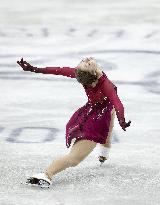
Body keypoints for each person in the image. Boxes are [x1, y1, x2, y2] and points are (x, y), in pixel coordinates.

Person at [17, 57, 131, 188]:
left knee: (108, 129)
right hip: (96, 116)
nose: (86, 59)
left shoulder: (103, 83)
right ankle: (47, 174)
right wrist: (35, 69)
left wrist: (121, 120)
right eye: (85, 63)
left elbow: (117, 104)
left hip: (102, 113)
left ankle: (103, 156)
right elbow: (59, 71)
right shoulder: (89, 75)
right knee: (75, 158)